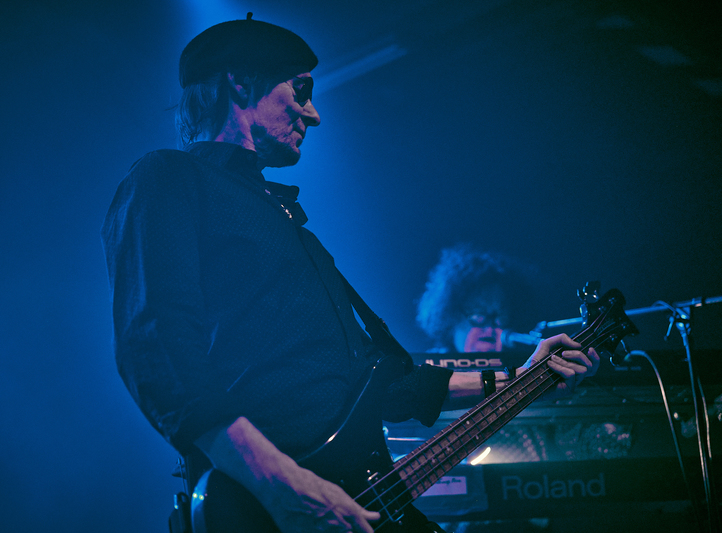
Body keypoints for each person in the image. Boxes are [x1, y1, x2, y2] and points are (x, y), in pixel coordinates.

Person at [101, 14, 599, 533]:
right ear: (241, 83)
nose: (313, 115)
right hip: (263, 507)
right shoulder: (168, 178)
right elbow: (155, 347)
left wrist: (527, 375)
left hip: (356, 499)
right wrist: (282, 485)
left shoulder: (291, 225)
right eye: (300, 90)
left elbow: (388, 387)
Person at [417, 243, 542, 354]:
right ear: (450, 319)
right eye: (478, 315)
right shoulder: (428, 369)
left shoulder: (522, 366)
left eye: (500, 315)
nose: (490, 328)